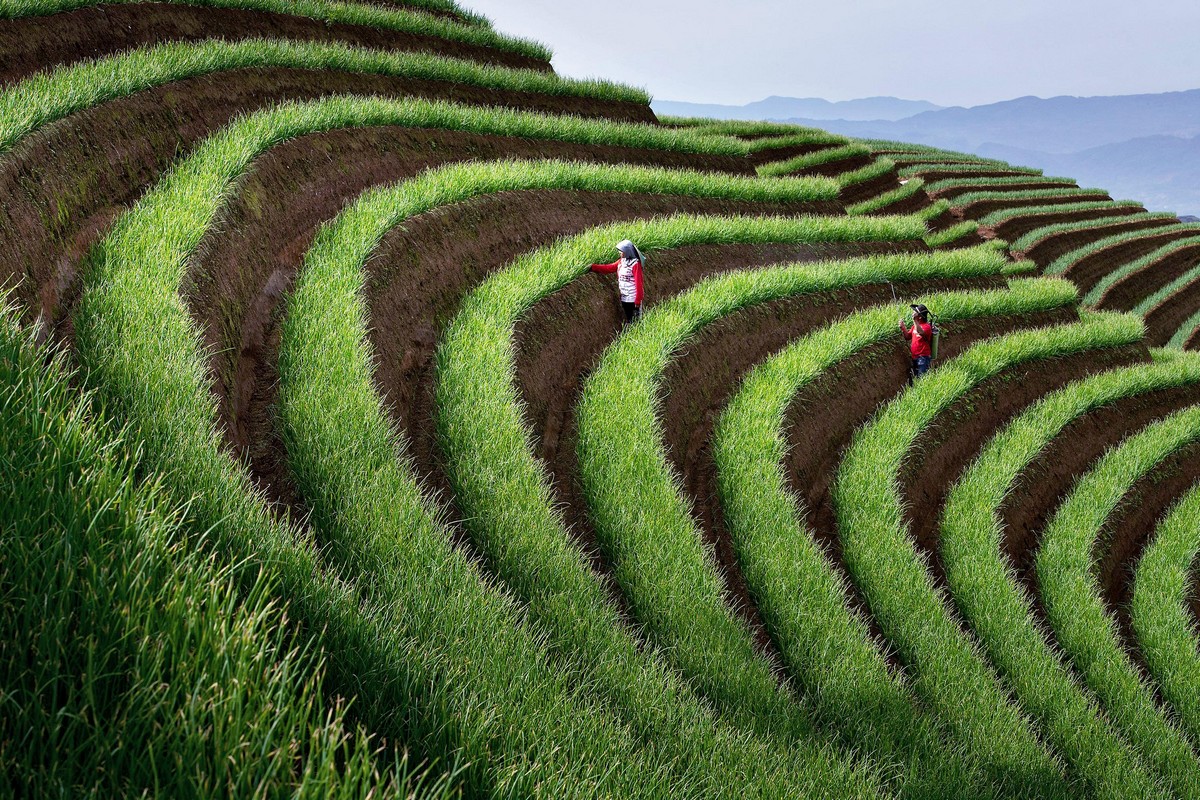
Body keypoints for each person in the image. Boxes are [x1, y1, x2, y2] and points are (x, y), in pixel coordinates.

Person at [590, 239, 645, 324]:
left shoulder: (635, 264)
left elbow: (639, 284)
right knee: (629, 319)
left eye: (621, 251)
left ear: (627, 251)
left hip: (633, 298)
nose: (619, 252)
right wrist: (593, 267)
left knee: (636, 321)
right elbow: (609, 267)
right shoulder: (621, 262)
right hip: (624, 298)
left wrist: (637, 301)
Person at [900, 303, 933, 385]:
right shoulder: (915, 326)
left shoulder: (927, 327)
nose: (913, 314)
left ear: (920, 317)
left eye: (915, 313)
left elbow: (920, 332)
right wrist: (903, 328)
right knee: (915, 379)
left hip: (923, 358)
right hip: (915, 357)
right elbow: (907, 337)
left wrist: (914, 321)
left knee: (921, 380)